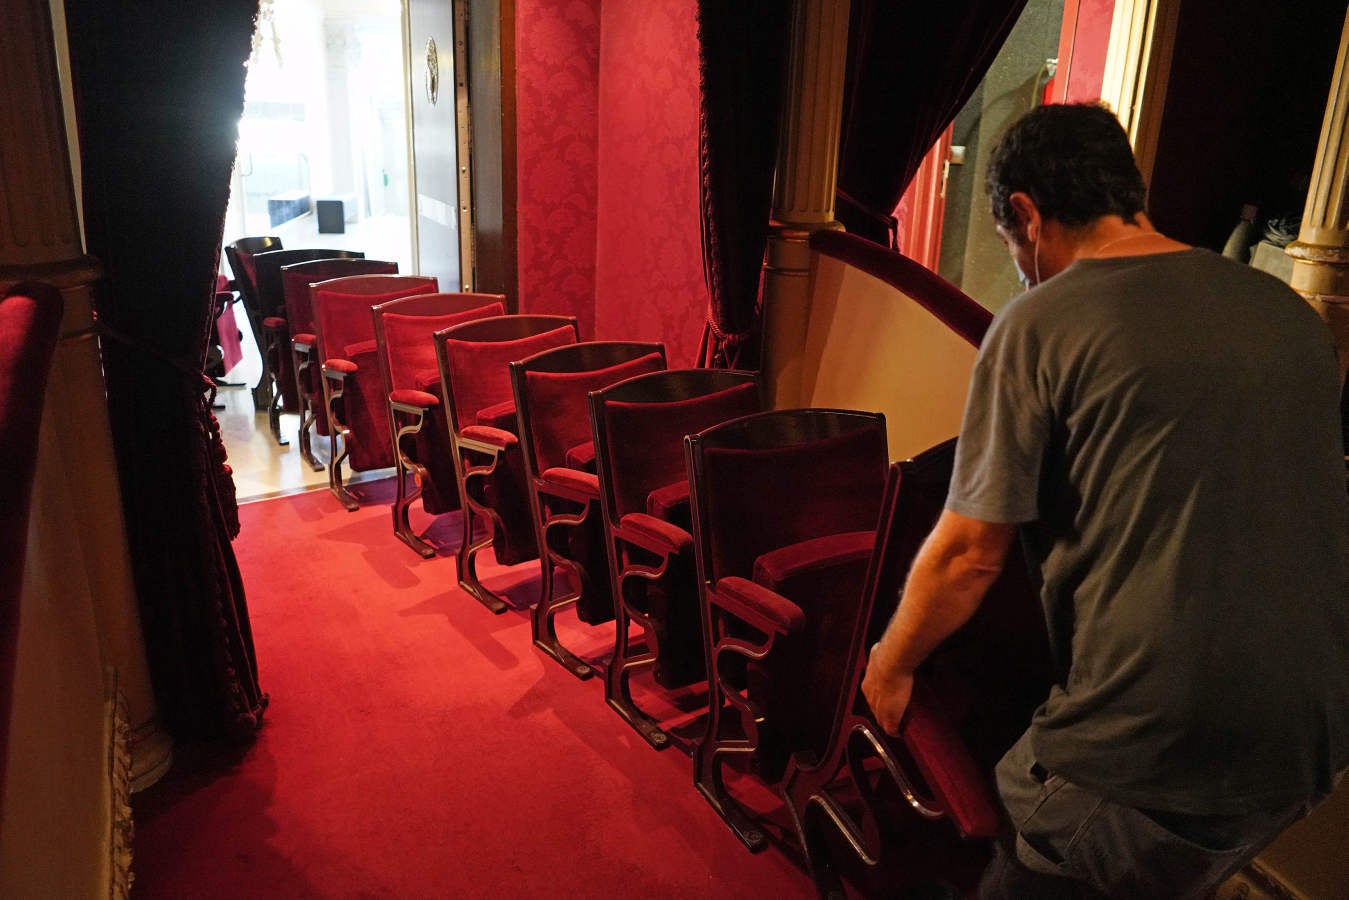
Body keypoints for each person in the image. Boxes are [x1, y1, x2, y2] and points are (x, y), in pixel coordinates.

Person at [862, 102, 1349, 899]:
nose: (1018, 268)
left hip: (1152, 746)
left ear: (1024, 213)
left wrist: (888, 664)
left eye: (1010, 247)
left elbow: (966, 556)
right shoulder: (1285, 313)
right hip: (1313, 738)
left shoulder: (1040, 322)